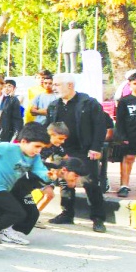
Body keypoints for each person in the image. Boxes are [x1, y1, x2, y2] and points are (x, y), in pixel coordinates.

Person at [44, 73, 108, 232]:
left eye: (57, 85)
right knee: (64, 182)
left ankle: (98, 218)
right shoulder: (53, 105)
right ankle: (67, 213)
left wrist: (96, 147)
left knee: (90, 183)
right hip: (63, 150)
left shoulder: (89, 103)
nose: (54, 88)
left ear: (70, 85)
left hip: (85, 150)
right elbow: (49, 128)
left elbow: (100, 127)